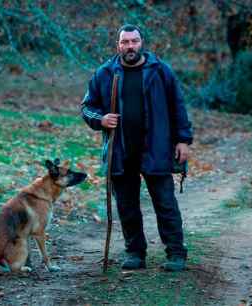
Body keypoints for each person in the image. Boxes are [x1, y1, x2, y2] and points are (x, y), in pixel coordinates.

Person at [81, 24, 193, 271]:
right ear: (118, 45)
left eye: (134, 41)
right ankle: (135, 253)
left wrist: (183, 140)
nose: (129, 46)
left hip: (156, 149)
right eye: (125, 42)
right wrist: (100, 119)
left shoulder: (160, 71)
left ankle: (176, 253)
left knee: (165, 204)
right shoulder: (105, 73)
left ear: (141, 43)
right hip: (121, 152)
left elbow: (178, 107)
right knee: (127, 206)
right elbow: (87, 107)